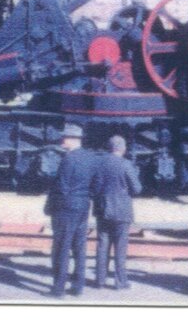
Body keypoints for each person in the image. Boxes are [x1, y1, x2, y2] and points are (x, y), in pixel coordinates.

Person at [44, 123, 98, 297]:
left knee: (61, 248)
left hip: (66, 209)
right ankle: (78, 287)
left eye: (64, 137)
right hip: (83, 206)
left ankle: (58, 289)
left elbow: (62, 187)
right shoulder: (90, 158)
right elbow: (95, 184)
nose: (61, 139)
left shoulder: (68, 159)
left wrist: (52, 207)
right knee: (79, 248)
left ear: (73, 139)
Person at [92, 135, 142, 290]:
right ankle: (120, 282)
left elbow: (94, 188)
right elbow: (137, 189)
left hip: (102, 210)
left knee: (102, 246)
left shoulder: (99, 164)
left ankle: (100, 281)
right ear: (123, 148)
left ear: (109, 147)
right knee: (120, 248)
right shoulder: (126, 164)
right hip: (122, 212)